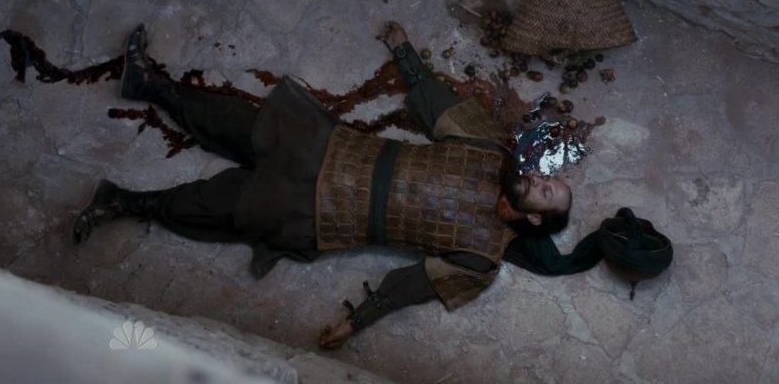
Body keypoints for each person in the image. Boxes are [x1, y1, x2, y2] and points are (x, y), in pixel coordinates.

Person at [72, 22, 572, 349]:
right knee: (234, 121)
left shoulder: (482, 261)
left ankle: (121, 202)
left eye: (546, 191)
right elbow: (435, 103)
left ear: (534, 217)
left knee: (217, 206)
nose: (539, 177)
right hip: (333, 149)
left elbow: (410, 286)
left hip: (322, 212)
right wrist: (404, 51)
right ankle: (147, 84)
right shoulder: (489, 151)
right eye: (548, 177)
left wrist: (355, 323)